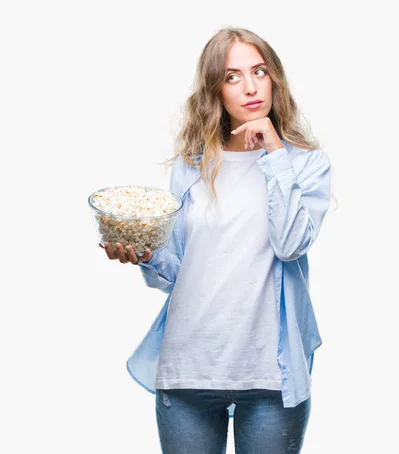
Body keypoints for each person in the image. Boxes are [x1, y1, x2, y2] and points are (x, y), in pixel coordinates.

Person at [100, 26, 332, 454]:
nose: (249, 87)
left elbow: (289, 243)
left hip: (269, 374)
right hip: (190, 366)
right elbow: (176, 269)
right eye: (232, 76)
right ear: (216, 90)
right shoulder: (192, 166)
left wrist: (276, 155)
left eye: (259, 71)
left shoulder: (304, 164)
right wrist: (144, 254)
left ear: (274, 78)